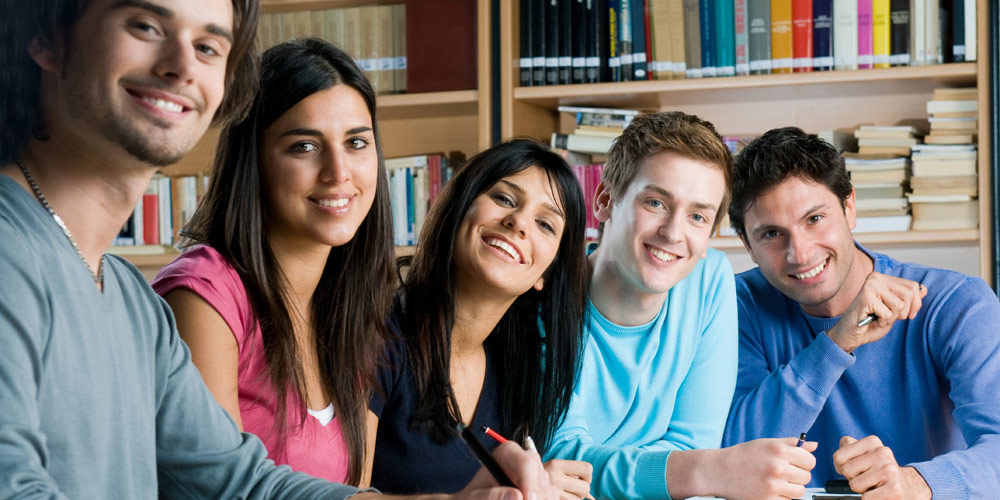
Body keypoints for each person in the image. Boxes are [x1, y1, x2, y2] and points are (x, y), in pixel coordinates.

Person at [0, 0, 556, 498]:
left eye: (210, 45)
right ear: (47, 36)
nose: (182, 65)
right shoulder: (26, 258)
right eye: (145, 24)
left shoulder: (127, 298)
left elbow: (237, 479)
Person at [152, 38, 392, 485]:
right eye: (304, 146)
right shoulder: (204, 294)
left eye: (357, 142)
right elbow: (221, 490)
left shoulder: (349, 310)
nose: (338, 172)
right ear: (255, 161)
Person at [544, 112, 818, 500]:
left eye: (697, 216)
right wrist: (708, 470)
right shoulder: (544, 292)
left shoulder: (709, 281)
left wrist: (692, 470)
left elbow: (692, 441)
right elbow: (562, 460)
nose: (673, 233)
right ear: (605, 200)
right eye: (655, 202)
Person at [723, 126, 1000, 499]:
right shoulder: (735, 306)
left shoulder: (956, 305)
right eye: (771, 234)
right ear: (747, 245)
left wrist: (912, 483)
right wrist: (836, 343)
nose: (800, 254)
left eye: (814, 219)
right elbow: (731, 454)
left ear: (849, 207)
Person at [369, 139, 593, 498]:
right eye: (504, 199)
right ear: (459, 208)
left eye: (545, 224)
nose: (518, 222)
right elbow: (337, 492)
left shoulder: (518, 372)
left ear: (545, 276)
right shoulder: (378, 336)